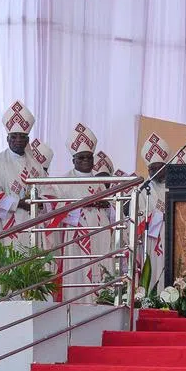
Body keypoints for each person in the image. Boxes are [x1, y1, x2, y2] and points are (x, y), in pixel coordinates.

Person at [57, 124, 113, 302]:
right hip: (77, 237)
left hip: (100, 234)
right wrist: (83, 207)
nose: (86, 161)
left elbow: (112, 208)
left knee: (102, 268)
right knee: (78, 276)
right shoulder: (64, 181)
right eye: (81, 157)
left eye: (89, 157)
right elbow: (57, 207)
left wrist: (104, 205)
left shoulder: (99, 181)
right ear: (73, 160)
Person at [0, 101, 45, 245]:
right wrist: (19, 203)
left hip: (33, 221)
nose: (18, 140)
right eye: (14, 136)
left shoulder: (36, 165)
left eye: (22, 137)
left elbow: (48, 190)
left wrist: (40, 201)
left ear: (27, 140)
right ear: (7, 138)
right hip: (8, 224)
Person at [138, 133, 171, 291]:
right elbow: (138, 220)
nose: (157, 172)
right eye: (152, 168)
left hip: (173, 239)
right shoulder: (142, 190)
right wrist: (161, 216)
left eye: (160, 168)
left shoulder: (176, 186)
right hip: (151, 244)